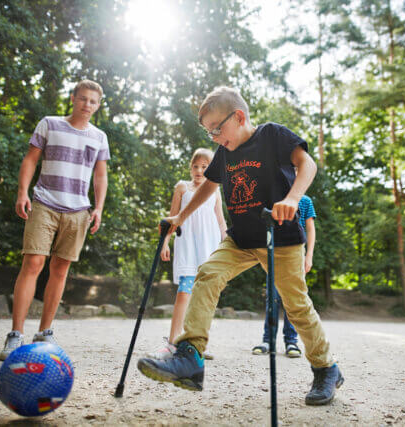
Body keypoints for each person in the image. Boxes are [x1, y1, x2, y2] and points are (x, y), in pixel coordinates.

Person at [137, 86, 343, 406]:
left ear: (239, 117)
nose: (215, 138)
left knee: (296, 306)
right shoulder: (226, 151)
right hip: (241, 238)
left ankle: (326, 367)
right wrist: (180, 217)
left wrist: (292, 198)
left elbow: (308, 164)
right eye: (209, 133)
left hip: (281, 238)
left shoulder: (272, 135)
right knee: (207, 273)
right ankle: (191, 356)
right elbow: (210, 187)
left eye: (217, 129)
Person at [0, 80, 109, 360]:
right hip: (45, 203)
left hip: (78, 210)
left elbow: (100, 175)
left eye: (93, 101)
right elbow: (30, 160)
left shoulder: (99, 137)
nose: (87, 105)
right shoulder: (49, 124)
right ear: (73, 98)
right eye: (83, 99)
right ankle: (15, 335)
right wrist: (22, 192)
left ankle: (45, 332)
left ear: (98, 106)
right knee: (33, 263)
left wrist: (98, 208)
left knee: (60, 271)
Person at [146, 148, 226, 360]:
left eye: (204, 167)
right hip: (187, 246)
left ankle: (197, 344)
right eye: (196, 166)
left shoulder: (214, 190)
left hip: (209, 247)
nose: (199, 171)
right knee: (184, 292)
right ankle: (172, 344)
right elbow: (172, 219)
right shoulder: (182, 187)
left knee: (205, 297)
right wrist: (165, 242)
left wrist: (227, 244)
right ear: (190, 167)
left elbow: (220, 221)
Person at [252, 194, 316, 358]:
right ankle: (268, 340)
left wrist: (308, 256)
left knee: (293, 299)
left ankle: (291, 341)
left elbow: (310, 228)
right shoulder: (274, 196)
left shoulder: (305, 201)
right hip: (275, 253)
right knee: (272, 298)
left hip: (295, 255)